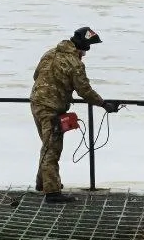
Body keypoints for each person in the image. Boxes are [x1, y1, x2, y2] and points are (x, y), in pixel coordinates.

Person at [30, 27, 120, 204]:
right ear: (81, 46)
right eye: (86, 49)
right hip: (51, 108)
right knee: (52, 149)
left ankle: (43, 184)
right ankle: (52, 194)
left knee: (47, 145)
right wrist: (104, 104)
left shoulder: (50, 53)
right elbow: (84, 90)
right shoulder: (75, 63)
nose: (86, 53)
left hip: (36, 103)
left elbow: (36, 76)